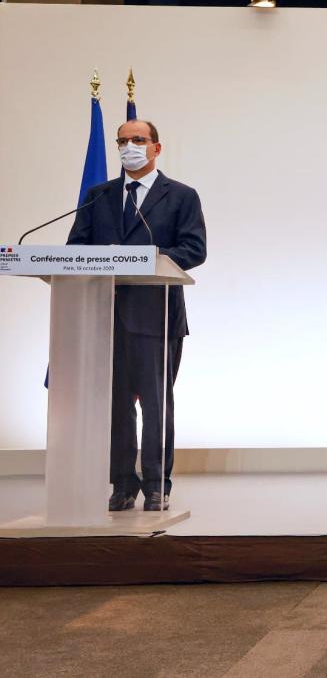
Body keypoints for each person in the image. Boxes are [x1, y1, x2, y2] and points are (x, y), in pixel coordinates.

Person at [67, 120, 207, 512]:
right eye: (123, 141)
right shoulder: (99, 196)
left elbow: (194, 249)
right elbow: (76, 248)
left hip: (156, 316)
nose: (130, 146)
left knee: (156, 404)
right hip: (104, 315)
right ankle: (123, 484)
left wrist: (148, 260)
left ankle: (157, 483)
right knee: (116, 404)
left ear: (156, 148)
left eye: (138, 140)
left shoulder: (180, 196)